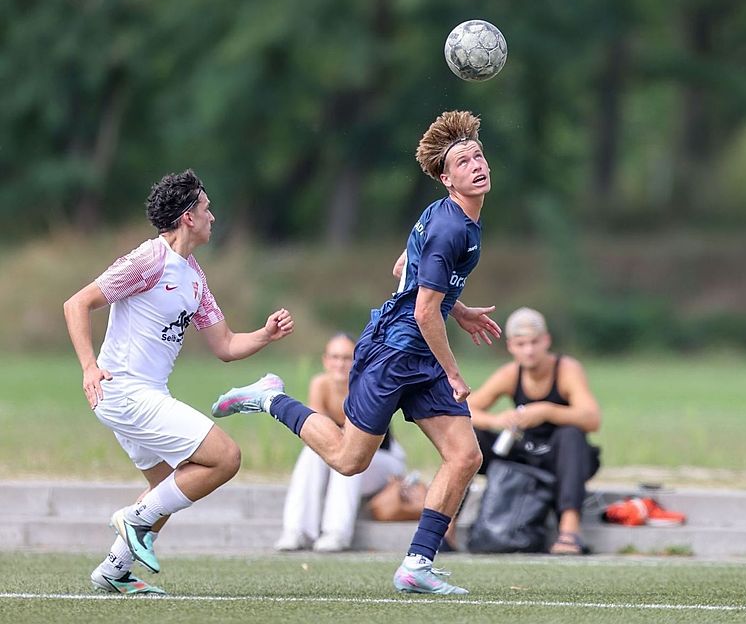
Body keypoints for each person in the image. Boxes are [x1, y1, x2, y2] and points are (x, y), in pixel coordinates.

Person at [212, 110, 501, 595]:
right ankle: (268, 397)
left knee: (465, 455)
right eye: (462, 162)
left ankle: (417, 565)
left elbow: (404, 269)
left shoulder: (454, 216)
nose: (476, 165)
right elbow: (423, 310)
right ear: (446, 179)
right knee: (349, 460)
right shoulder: (452, 228)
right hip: (394, 351)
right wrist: (453, 372)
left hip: (419, 351)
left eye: (478, 156)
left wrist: (460, 308)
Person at [63, 169, 294, 595]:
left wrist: (265, 335)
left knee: (169, 485)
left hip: (144, 394)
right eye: (207, 208)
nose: (213, 217)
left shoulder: (194, 276)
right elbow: (77, 303)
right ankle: (132, 520)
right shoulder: (148, 260)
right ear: (188, 217)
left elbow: (225, 344)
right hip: (123, 391)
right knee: (225, 458)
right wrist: (88, 367)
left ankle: (113, 569)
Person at [465, 307, 601, 555]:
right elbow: (466, 410)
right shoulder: (509, 374)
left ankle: (569, 531)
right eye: (521, 344)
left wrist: (547, 411)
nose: (529, 350)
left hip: (561, 456)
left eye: (534, 342)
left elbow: (592, 419)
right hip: (523, 452)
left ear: (546, 340)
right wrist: (497, 420)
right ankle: (446, 528)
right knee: (469, 436)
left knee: (572, 434)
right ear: (511, 346)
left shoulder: (566, 369)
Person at [274, 333, 407, 553]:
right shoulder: (320, 384)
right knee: (312, 452)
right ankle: (297, 530)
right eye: (335, 357)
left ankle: (336, 532)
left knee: (349, 452)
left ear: (357, 360)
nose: (340, 364)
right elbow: (313, 432)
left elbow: (358, 441)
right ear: (326, 360)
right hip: (342, 457)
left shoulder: (367, 386)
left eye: (346, 358)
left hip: (382, 459)